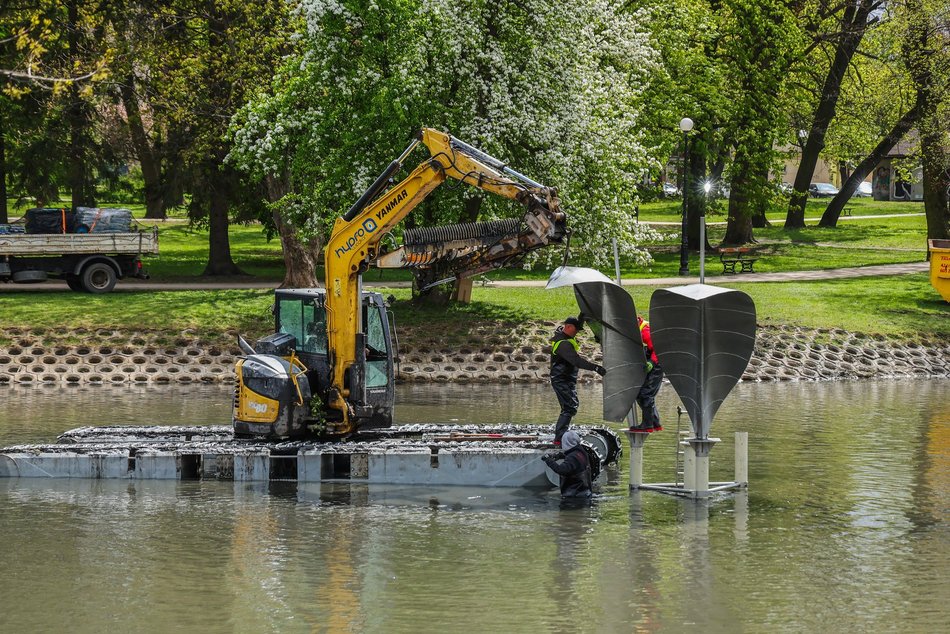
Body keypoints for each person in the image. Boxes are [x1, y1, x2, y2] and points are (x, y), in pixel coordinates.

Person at [550, 315, 606, 444]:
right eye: (576, 330)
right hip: (561, 379)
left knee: (571, 406)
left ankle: (561, 435)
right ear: (568, 327)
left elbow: (575, 325)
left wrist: (583, 315)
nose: (577, 333)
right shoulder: (563, 344)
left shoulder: (565, 335)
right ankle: (559, 438)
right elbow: (576, 361)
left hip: (567, 379)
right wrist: (595, 368)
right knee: (569, 407)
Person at [632, 315, 663, 432]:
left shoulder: (645, 331)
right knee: (641, 394)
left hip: (657, 364)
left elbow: (658, 348)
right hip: (652, 363)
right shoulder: (637, 329)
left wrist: (652, 362)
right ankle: (655, 423)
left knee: (645, 394)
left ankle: (647, 425)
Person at [541, 430, 592, 498]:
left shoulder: (572, 457)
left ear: (566, 442)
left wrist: (548, 460)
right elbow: (575, 462)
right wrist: (561, 455)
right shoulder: (581, 452)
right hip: (584, 492)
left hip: (574, 496)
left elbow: (561, 470)